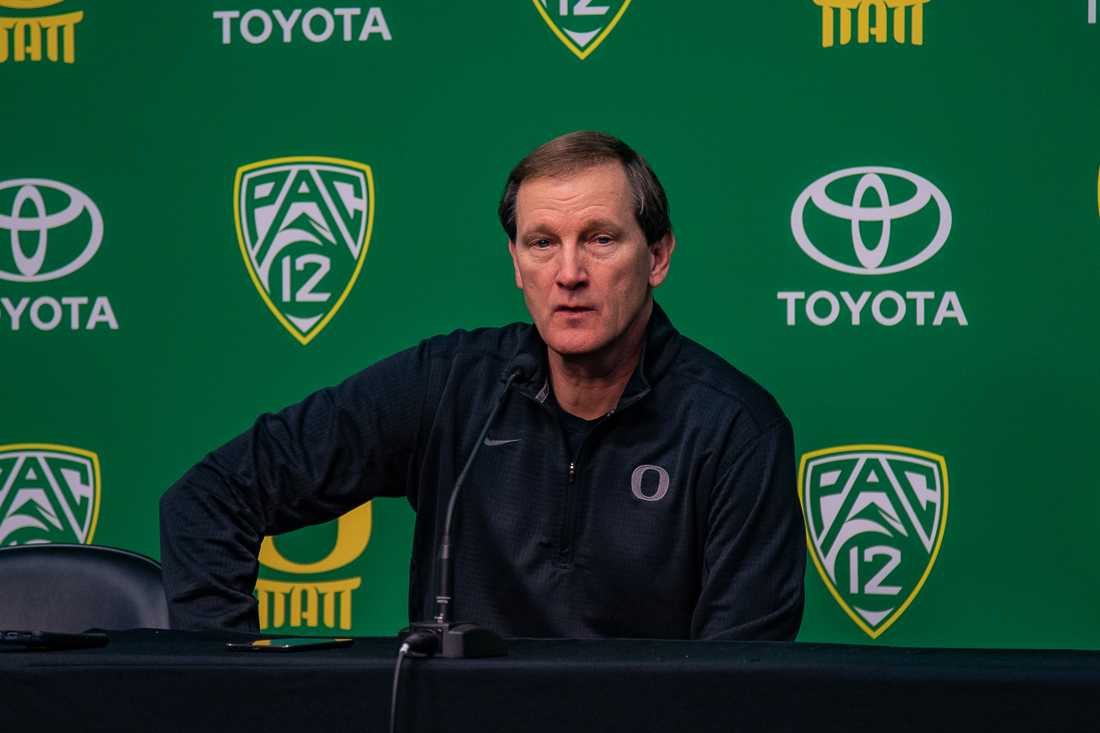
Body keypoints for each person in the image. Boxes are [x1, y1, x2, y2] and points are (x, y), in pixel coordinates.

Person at [160, 131, 805, 640]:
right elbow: (209, 501)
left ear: (657, 257)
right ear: (516, 264)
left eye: (601, 240)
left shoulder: (735, 429)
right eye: (542, 243)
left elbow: (738, 682)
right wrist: (234, 685)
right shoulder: (450, 384)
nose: (570, 272)